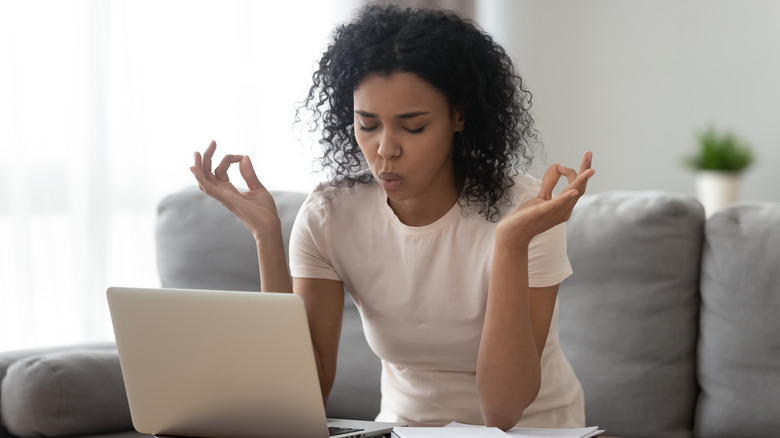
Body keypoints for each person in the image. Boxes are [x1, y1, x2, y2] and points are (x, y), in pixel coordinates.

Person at [190, 4, 594, 431]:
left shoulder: (527, 211)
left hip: (536, 430)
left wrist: (510, 245)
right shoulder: (330, 217)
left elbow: (502, 411)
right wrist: (267, 236)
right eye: (367, 125)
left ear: (459, 116)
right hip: (401, 429)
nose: (385, 149)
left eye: (413, 127)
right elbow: (298, 394)